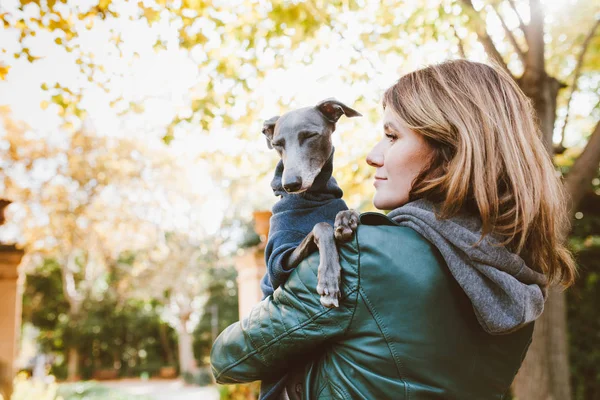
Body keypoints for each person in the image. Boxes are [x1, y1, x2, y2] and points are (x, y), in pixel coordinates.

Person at [210, 59, 577, 399]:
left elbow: (229, 360)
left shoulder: (361, 255)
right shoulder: (519, 279)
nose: (372, 154)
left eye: (392, 136)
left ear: (452, 149)